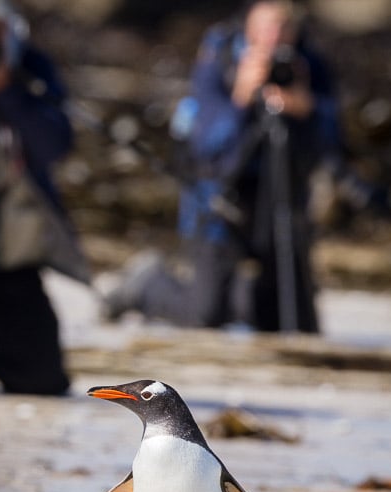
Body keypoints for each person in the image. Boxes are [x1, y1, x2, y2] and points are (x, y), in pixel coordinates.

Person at [104, 0, 338, 332]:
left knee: (295, 323)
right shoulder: (220, 58)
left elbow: (332, 146)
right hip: (219, 200)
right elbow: (204, 146)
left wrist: (307, 108)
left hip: (280, 200)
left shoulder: (308, 66)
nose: (275, 37)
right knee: (205, 314)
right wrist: (240, 98)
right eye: (266, 27)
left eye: (284, 27)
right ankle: (148, 286)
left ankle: (246, 296)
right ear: (248, 25)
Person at [0, 0, 90, 393]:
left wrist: (5, 90)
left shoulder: (28, 71)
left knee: (42, 379)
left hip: (5, 261)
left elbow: (54, 145)